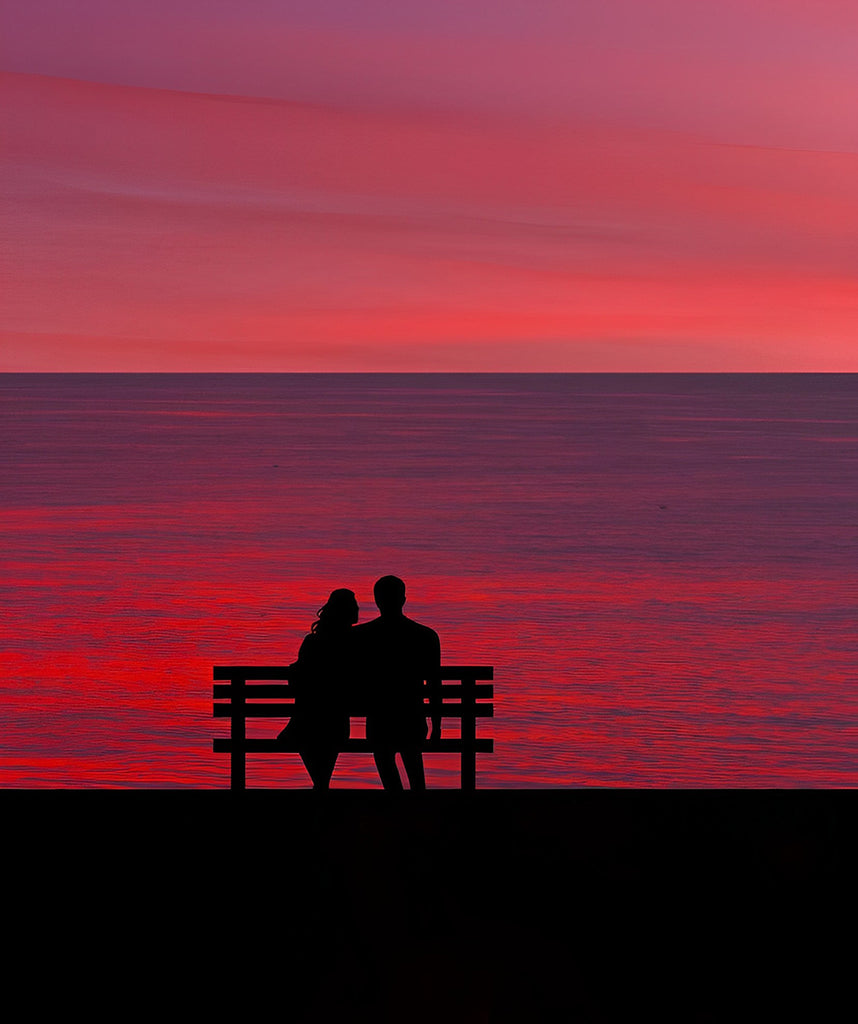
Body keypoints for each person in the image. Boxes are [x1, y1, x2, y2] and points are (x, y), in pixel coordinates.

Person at [354, 575, 441, 791]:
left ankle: (395, 799)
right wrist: (438, 725)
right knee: (413, 759)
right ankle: (417, 800)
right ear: (403, 599)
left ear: (376, 600)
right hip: (412, 717)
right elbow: (434, 684)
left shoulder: (361, 636)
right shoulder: (426, 636)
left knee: (384, 756)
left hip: (379, 718)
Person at [278, 588, 358, 789]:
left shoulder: (312, 641)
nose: (358, 608)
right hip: (337, 722)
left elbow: (299, 681)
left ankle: (321, 786)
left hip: (310, 719)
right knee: (324, 728)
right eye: (355, 605)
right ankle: (321, 786)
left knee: (307, 728)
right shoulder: (356, 643)